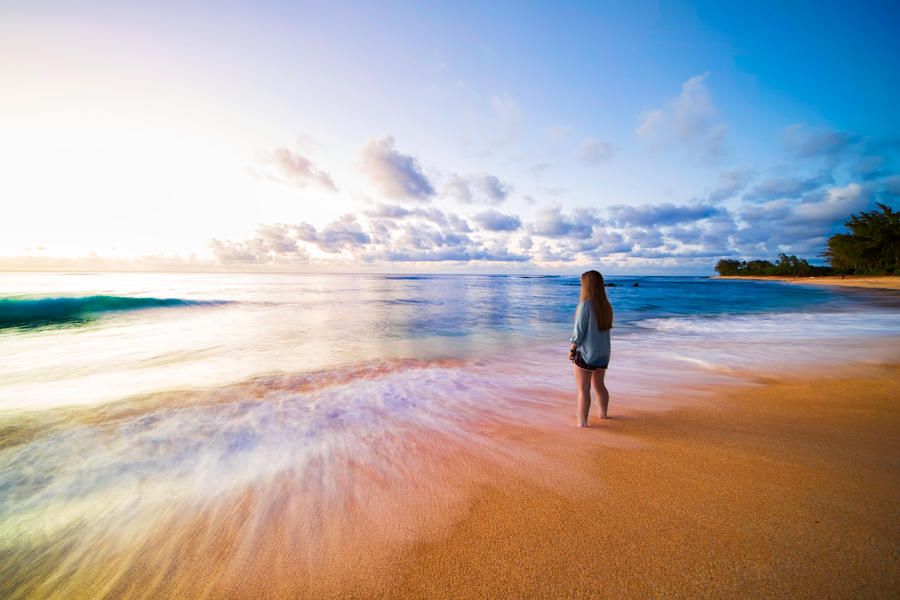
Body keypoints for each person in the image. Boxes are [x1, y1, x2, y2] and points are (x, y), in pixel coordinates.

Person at [568, 270, 612, 427]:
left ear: (586, 284)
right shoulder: (605, 305)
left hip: (586, 353)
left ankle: (582, 423)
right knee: (600, 385)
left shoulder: (585, 305)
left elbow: (579, 333)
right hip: (602, 354)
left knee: (583, 390)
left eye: (582, 281)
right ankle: (603, 415)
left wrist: (572, 349)